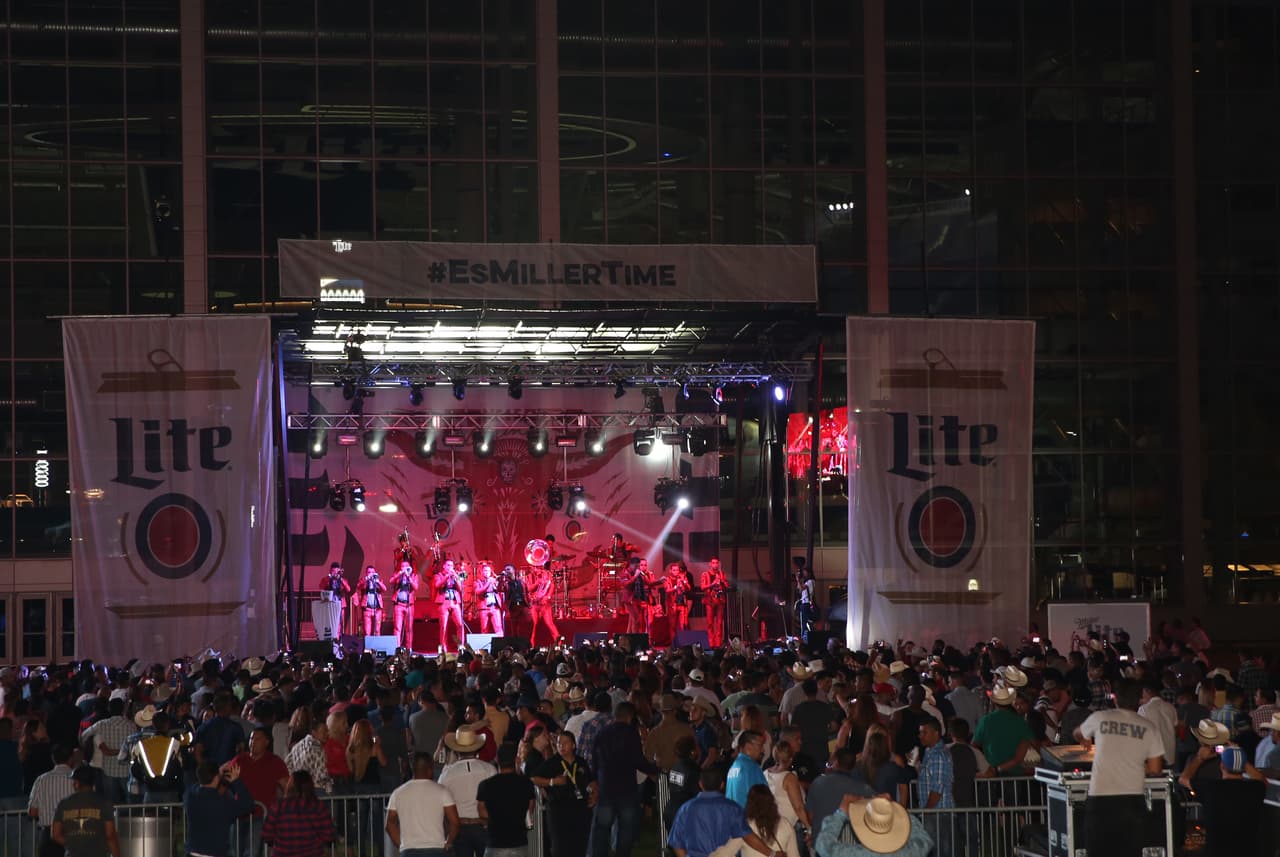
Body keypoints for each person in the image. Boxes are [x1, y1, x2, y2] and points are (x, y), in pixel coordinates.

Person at [1075, 678, 1166, 857]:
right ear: (1140, 699)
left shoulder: (1100, 718)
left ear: (1115, 698)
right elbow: (1155, 769)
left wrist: (1084, 738)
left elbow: (1078, 732)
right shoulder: (1149, 727)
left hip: (1100, 799)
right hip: (1132, 800)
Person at [588, 702, 660, 857]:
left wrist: (595, 780)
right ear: (630, 716)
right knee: (625, 829)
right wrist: (655, 768)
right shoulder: (630, 733)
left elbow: (594, 759)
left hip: (606, 787)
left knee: (601, 829)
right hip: (626, 789)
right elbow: (638, 760)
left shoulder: (602, 732)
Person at [668, 767, 781, 857]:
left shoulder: (686, 808)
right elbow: (748, 836)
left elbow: (676, 843)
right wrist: (772, 853)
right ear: (722, 785)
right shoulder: (733, 808)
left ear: (700, 784)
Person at [533, 731, 594, 857]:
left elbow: (592, 780)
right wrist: (552, 781)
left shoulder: (581, 762)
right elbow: (533, 778)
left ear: (573, 745)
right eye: (559, 743)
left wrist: (595, 794)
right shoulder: (552, 763)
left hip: (580, 810)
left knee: (579, 846)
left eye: (565, 743)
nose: (561, 746)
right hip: (558, 811)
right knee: (560, 848)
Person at [231, 727, 289, 857]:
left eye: (257, 739)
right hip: (239, 814)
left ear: (267, 742)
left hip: (261, 815)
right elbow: (225, 779)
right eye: (251, 738)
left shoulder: (275, 762)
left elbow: (287, 786)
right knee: (235, 851)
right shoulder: (240, 760)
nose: (253, 742)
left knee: (252, 850)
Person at [387, 753, 459, 857]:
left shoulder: (398, 793)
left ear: (413, 768)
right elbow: (455, 822)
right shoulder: (442, 791)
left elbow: (389, 824)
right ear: (430, 769)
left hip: (409, 850)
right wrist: (449, 841)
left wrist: (402, 845)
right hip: (436, 849)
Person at [438, 728, 496, 857]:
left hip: (459, 827)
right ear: (476, 747)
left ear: (457, 749)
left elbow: (441, 805)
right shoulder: (489, 769)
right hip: (484, 825)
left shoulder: (447, 774)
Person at [814, 795, 934, 857]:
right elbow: (925, 840)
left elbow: (824, 845)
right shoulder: (908, 853)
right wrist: (898, 810)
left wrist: (840, 814)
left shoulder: (852, 854)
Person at [477, 742, 536, 857]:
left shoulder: (486, 785)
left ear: (497, 759)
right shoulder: (526, 784)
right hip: (519, 843)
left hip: (495, 844)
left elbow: (482, 812)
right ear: (516, 759)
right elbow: (530, 808)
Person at [184, 759, 253, 857]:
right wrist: (237, 781)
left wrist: (216, 773)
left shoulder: (190, 798)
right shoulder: (223, 803)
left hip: (192, 853)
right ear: (217, 778)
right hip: (216, 853)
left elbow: (194, 787)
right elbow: (248, 805)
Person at [261, 770, 337, 857]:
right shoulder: (318, 807)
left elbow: (267, 834)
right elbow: (329, 835)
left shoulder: (278, 807)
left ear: (291, 785)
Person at [52, 765, 120, 857]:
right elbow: (110, 834)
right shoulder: (104, 803)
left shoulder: (64, 804)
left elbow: (56, 834)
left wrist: (72, 844)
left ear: (77, 783)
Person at [806, 748, 873, 838]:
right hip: (848, 846)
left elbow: (810, 817)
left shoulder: (817, 783)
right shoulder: (864, 789)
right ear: (854, 765)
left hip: (820, 844)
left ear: (836, 762)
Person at [973, 684, 1034, 776]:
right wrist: (999, 769)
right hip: (1014, 774)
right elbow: (1019, 758)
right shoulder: (1021, 722)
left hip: (990, 773)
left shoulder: (986, 720)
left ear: (994, 702)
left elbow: (974, 746)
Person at [29, 744, 78, 857]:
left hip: (47, 836)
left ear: (53, 758)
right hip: (72, 833)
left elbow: (32, 811)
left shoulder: (41, 779)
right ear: (71, 758)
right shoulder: (77, 779)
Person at [80, 697, 132, 803]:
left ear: (109, 709)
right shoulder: (131, 725)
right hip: (126, 769)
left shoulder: (101, 724)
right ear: (123, 709)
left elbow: (83, 736)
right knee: (129, 802)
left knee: (110, 802)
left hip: (108, 770)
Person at [285, 711, 333, 795]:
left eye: (327, 731)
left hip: (298, 790)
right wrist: (330, 790)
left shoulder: (298, 746)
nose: (327, 734)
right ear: (314, 732)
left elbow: (287, 765)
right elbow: (322, 777)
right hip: (315, 791)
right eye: (324, 731)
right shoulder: (318, 750)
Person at [727, 730, 769, 808]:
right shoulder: (752, 767)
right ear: (748, 747)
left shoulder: (733, 767)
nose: (763, 750)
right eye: (760, 745)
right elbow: (764, 798)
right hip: (748, 817)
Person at [393, 561, 422, 651]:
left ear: (409, 567)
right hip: (399, 604)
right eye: (402, 566)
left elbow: (416, 587)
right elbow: (391, 581)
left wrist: (408, 576)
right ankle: (397, 648)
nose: (404, 567)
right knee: (398, 627)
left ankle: (409, 648)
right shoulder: (398, 574)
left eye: (406, 566)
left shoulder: (414, 576)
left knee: (409, 628)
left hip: (409, 605)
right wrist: (400, 574)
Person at [528, 566, 560, 646]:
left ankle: (559, 643)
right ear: (531, 568)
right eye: (535, 568)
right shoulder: (529, 576)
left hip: (545, 604)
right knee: (534, 625)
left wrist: (548, 596)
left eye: (538, 568)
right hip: (534, 604)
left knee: (549, 623)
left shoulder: (547, 574)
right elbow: (529, 589)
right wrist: (536, 584)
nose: (537, 570)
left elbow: (552, 585)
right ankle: (531, 644)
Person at [318, 563, 352, 638]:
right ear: (330, 571)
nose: (335, 573)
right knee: (331, 622)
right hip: (330, 604)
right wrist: (329, 578)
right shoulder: (326, 579)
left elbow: (348, 589)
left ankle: (338, 639)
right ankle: (332, 638)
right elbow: (321, 586)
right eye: (333, 571)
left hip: (340, 604)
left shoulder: (343, 580)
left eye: (336, 571)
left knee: (339, 623)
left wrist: (341, 579)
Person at [701, 558, 728, 648]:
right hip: (710, 600)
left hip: (720, 600)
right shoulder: (705, 574)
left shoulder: (722, 574)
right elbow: (702, 587)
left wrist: (722, 582)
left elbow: (726, 586)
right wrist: (712, 584)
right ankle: (711, 643)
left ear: (718, 564)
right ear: (710, 564)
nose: (715, 565)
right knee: (710, 623)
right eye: (713, 563)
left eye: (717, 563)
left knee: (719, 623)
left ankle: (718, 644)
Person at [620, 558, 651, 636]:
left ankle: (629, 639)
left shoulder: (638, 573)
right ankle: (635, 640)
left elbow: (649, 583)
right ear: (631, 565)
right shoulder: (625, 573)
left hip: (636, 599)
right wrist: (635, 576)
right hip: (629, 600)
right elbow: (626, 584)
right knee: (636, 619)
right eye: (636, 566)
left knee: (632, 621)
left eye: (638, 566)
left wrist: (659, 581)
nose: (638, 568)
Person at [473, 561, 504, 635]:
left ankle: (500, 645)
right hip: (484, 608)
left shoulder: (494, 580)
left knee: (498, 627)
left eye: (489, 571)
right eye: (485, 570)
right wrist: (488, 583)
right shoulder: (477, 582)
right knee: (484, 628)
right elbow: (477, 592)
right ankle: (485, 646)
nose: (487, 572)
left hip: (494, 607)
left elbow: (500, 589)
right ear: (482, 572)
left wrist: (500, 582)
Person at [665, 562, 693, 634]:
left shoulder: (683, 577)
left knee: (683, 625)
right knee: (672, 625)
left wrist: (683, 582)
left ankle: (682, 643)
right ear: (670, 571)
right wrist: (675, 588)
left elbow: (689, 588)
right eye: (674, 570)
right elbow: (667, 590)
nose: (676, 572)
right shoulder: (667, 579)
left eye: (677, 570)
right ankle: (674, 643)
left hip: (682, 604)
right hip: (672, 604)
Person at [502, 565, 529, 636]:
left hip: (523, 605)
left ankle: (526, 644)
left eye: (508, 569)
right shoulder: (505, 583)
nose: (506, 571)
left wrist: (530, 603)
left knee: (525, 626)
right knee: (514, 628)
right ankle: (515, 644)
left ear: (513, 570)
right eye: (505, 570)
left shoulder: (522, 581)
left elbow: (527, 592)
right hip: (512, 606)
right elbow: (499, 589)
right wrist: (501, 579)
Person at [359, 565, 386, 635]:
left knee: (377, 630)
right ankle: (368, 646)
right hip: (367, 609)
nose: (371, 574)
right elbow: (359, 586)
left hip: (377, 609)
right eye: (369, 572)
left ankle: (377, 646)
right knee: (367, 631)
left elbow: (384, 589)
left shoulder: (378, 580)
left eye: (372, 572)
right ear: (366, 573)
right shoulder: (364, 580)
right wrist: (367, 579)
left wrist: (377, 582)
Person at [794, 562, 815, 642]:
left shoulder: (811, 582)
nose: (804, 574)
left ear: (809, 573)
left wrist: (798, 580)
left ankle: (805, 639)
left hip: (806, 604)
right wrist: (798, 581)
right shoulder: (807, 582)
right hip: (805, 604)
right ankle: (805, 638)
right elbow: (799, 590)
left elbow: (802, 588)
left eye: (805, 572)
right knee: (805, 623)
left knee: (804, 623)